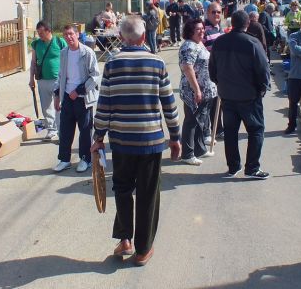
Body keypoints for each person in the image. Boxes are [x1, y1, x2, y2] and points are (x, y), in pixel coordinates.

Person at [92, 15, 180, 266]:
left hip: (121, 142)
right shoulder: (157, 63)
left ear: (121, 38)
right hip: (150, 141)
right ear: (143, 37)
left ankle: (125, 240)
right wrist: (175, 137)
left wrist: (98, 137)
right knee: (147, 193)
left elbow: (104, 105)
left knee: (121, 189)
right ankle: (142, 249)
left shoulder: (111, 65)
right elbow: (169, 104)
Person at [209, 10, 271, 179]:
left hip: (227, 95)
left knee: (230, 132)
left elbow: (212, 69)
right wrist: (262, 88)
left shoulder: (219, 42)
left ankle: (233, 166)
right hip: (249, 96)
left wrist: (219, 83)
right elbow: (263, 69)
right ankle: (251, 168)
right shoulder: (252, 42)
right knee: (256, 130)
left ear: (232, 24)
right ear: (247, 24)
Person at [52, 25, 101, 173]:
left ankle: (85, 159)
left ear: (77, 34)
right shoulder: (64, 53)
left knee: (85, 130)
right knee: (65, 130)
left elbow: (95, 76)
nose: (69, 37)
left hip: (83, 97)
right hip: (67, 96)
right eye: (65, 35)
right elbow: (61, 75)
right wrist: (57, 95)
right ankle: (64, 159)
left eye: (71, 34)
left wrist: (79, 90)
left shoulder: (87, 53)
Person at [178, 18, 217, 165]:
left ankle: (199, 149)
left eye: (202, 28)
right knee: (192, 122)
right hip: (193, 91)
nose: (202, 31)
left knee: (200, 121)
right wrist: (197, 90)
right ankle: (187, 154)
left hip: (205, 90)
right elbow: (187, 68)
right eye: (198, 29)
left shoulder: (198, 43)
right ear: (190, 31)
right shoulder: (189, 46)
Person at [29, 21, 67, 141]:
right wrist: (31, 79)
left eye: (41, 32)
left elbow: (67, 59)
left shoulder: (59, 42)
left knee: (59, 106)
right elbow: (33, 62)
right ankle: (51, 130)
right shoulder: (36, 44)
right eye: (38, 32)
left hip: (57, 79)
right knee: (46, 106)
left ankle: (62, 131)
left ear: (48, 31)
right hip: (42, 79)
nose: (39, 35)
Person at [202, 2, 225, 141]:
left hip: (220, 72)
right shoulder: (204, 29)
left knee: (218, 102)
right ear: (207, 13)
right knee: (209, 103)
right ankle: (208, 131)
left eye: (218, 12)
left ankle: (218, 128)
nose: (216, 14)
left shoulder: (219, 29)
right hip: (208, 72)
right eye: (213, 12)